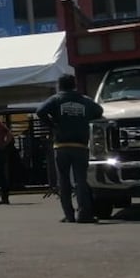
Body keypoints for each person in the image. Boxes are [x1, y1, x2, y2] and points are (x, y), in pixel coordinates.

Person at [36, 74, 104, 223]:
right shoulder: (84, 100)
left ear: (59, 86)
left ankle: (69, 215)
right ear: (74, 85)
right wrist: (83, 121)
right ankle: (84, 214)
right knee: (81, 180)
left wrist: (52, 125)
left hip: (61, 146)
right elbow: (99, 110)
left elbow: (40, 111)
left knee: (63, 181)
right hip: (80, 146)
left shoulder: (56, 99)